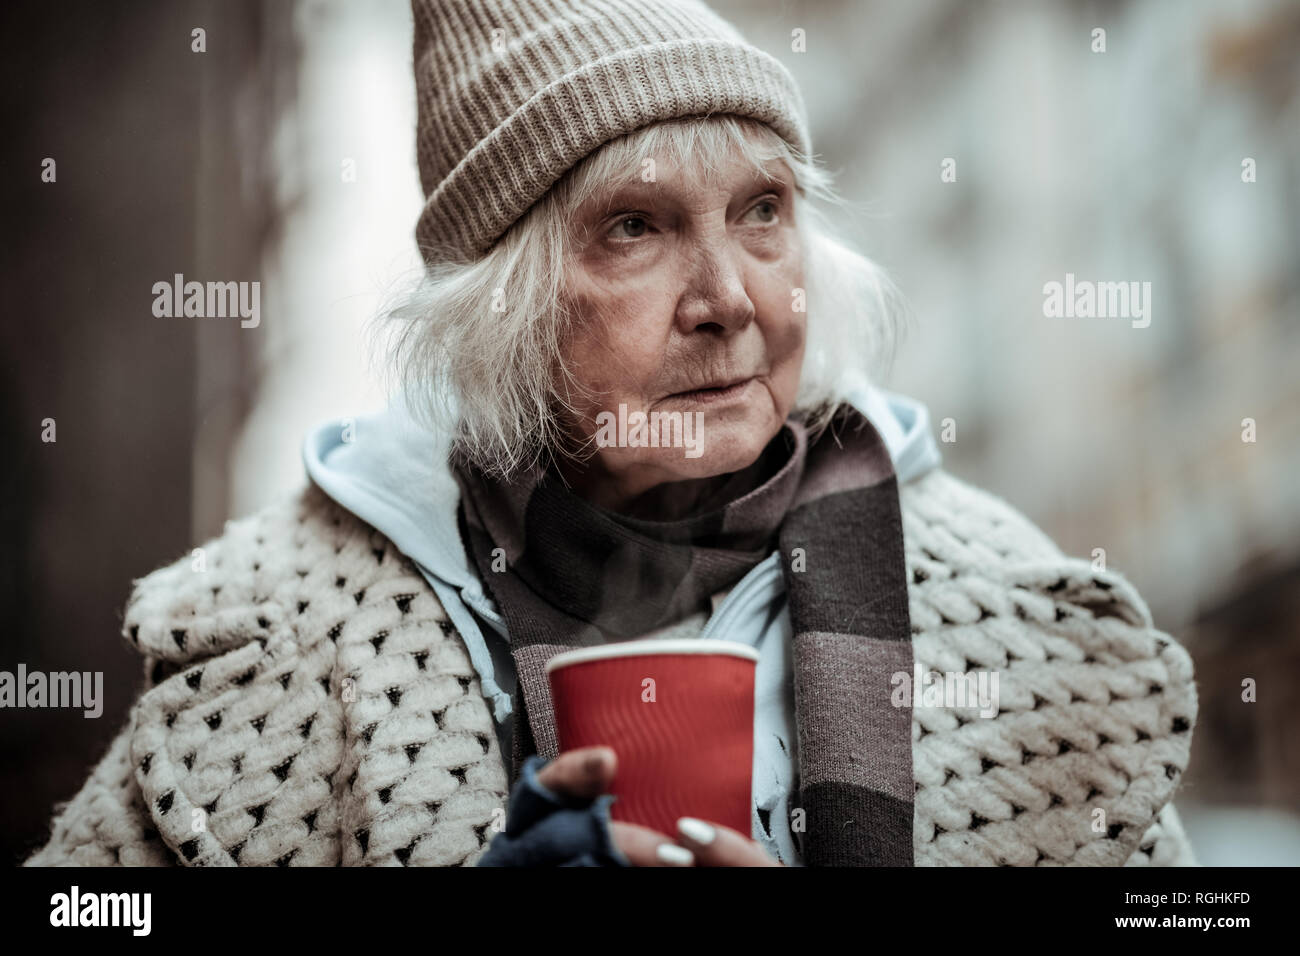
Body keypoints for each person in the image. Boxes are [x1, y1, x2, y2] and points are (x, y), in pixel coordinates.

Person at [23, 0, 1199, 867]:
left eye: (763, 212)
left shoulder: (1007, 597)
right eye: (634, 226)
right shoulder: (283, 633)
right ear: (502, 309)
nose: (728, 297)